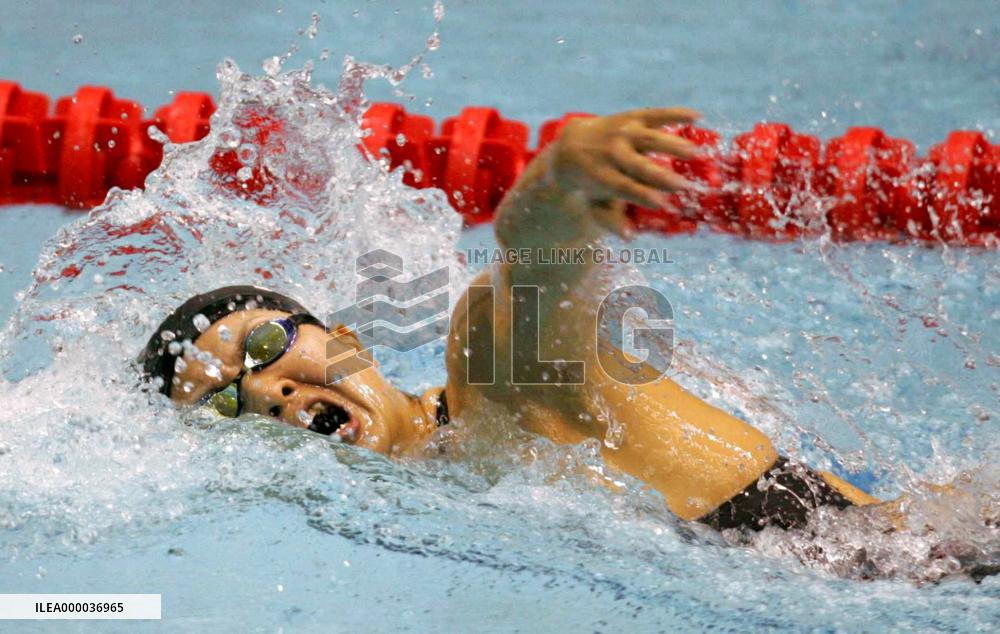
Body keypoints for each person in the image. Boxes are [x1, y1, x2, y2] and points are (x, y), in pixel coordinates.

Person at [140, 107, 882, 533]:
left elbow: (532, 276)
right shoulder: (440, 486)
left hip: (912, 564)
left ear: (349, 341)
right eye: (227, 402)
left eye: (265, 346)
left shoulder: (487, 383)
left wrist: (557, 183)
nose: (266, 392)